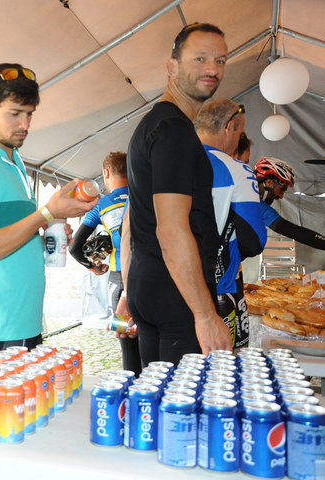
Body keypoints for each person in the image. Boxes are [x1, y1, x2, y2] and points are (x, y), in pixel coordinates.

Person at [0, 62, 96, 356]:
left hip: (26, 320)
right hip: (0, 325)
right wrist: (44, 214)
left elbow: (10, 238)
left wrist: (46, 236)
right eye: (15, 113)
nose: (25, 125)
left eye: (29, 114)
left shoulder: (15, 163)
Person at [118, 23, 233, 366]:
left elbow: (130, 222)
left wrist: (130, 287)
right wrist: (205, 315)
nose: (213, 69)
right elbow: (171, 229)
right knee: (181, 409)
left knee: (156, 401)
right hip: (176, 294)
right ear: (172, 67)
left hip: (148, 283)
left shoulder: (152, 125)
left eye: (221, 61)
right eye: (200, 58)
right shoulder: (174, 132)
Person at [194, 99, 267, 348]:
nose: (237, 140)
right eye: (239, 131)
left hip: (165, 290)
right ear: (230, 126)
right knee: (221, 376)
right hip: (219, 290)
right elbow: (253, 242)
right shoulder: (238, 170)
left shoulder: (163, 162)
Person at [69, 152, 141, 375]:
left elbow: (75, 247)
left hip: (119, 280)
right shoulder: (143, 197)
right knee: (149, 340)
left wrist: (94, 267)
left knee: (127, 342)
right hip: (149, 277)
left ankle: (131, 392)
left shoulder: (102, 204)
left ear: (106, 173)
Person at [254, 156, 325, 250]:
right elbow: (294, 232)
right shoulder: (253, 203)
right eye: (282, 189)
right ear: (269, 182)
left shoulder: (246, 193)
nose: (281, 196)